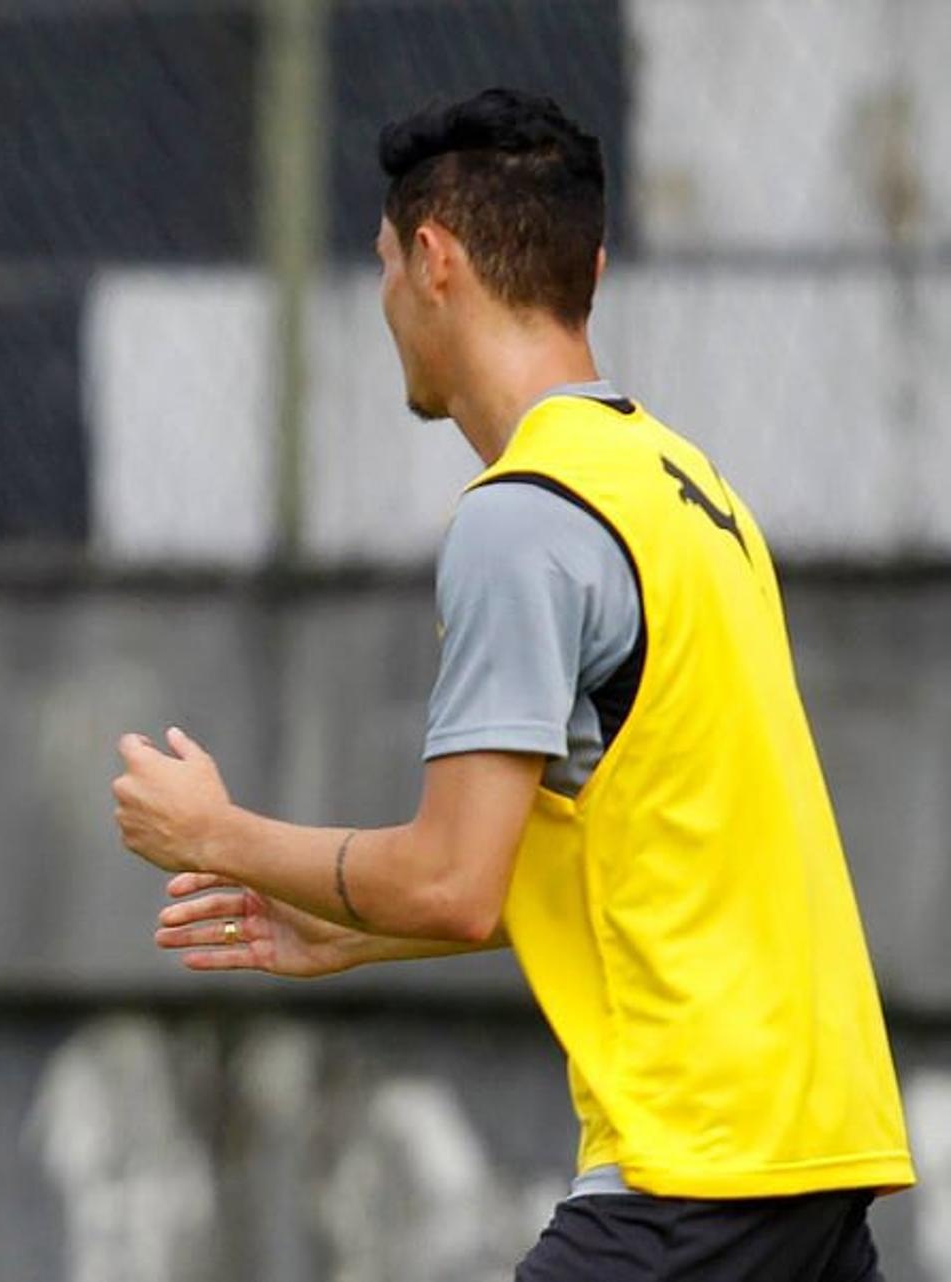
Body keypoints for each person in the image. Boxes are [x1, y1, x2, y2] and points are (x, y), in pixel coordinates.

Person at [112, 88, 913, 1280]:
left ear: (432, 259)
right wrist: (346, 932)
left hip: (690, 1175)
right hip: (812, 1163)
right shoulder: (685, 485)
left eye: (383, 262)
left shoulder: (525, 516)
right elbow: (642, 854)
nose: (384, 299)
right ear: (586, 262)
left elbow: (452, 884)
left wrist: (220, 835)